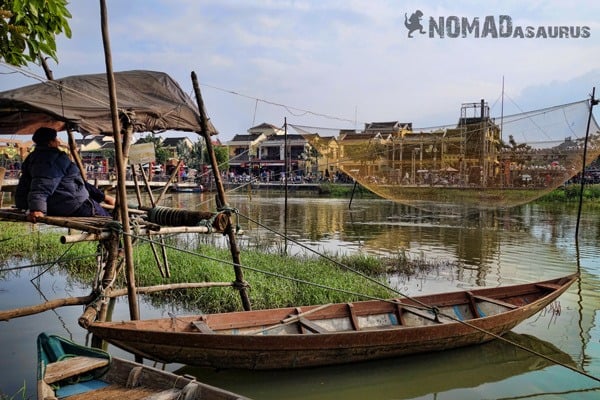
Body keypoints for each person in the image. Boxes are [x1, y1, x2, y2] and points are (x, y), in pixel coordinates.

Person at [15, 127, 115, 223]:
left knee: (103, 209)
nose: (58, 141)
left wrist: (104, 197)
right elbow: (42, 184)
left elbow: (78, 183)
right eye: (56, 139)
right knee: (110, 221)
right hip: (71, 205)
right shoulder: (52, 159)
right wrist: (37, 209)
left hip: (58, 203)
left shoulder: (33, 157)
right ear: (50, 142)